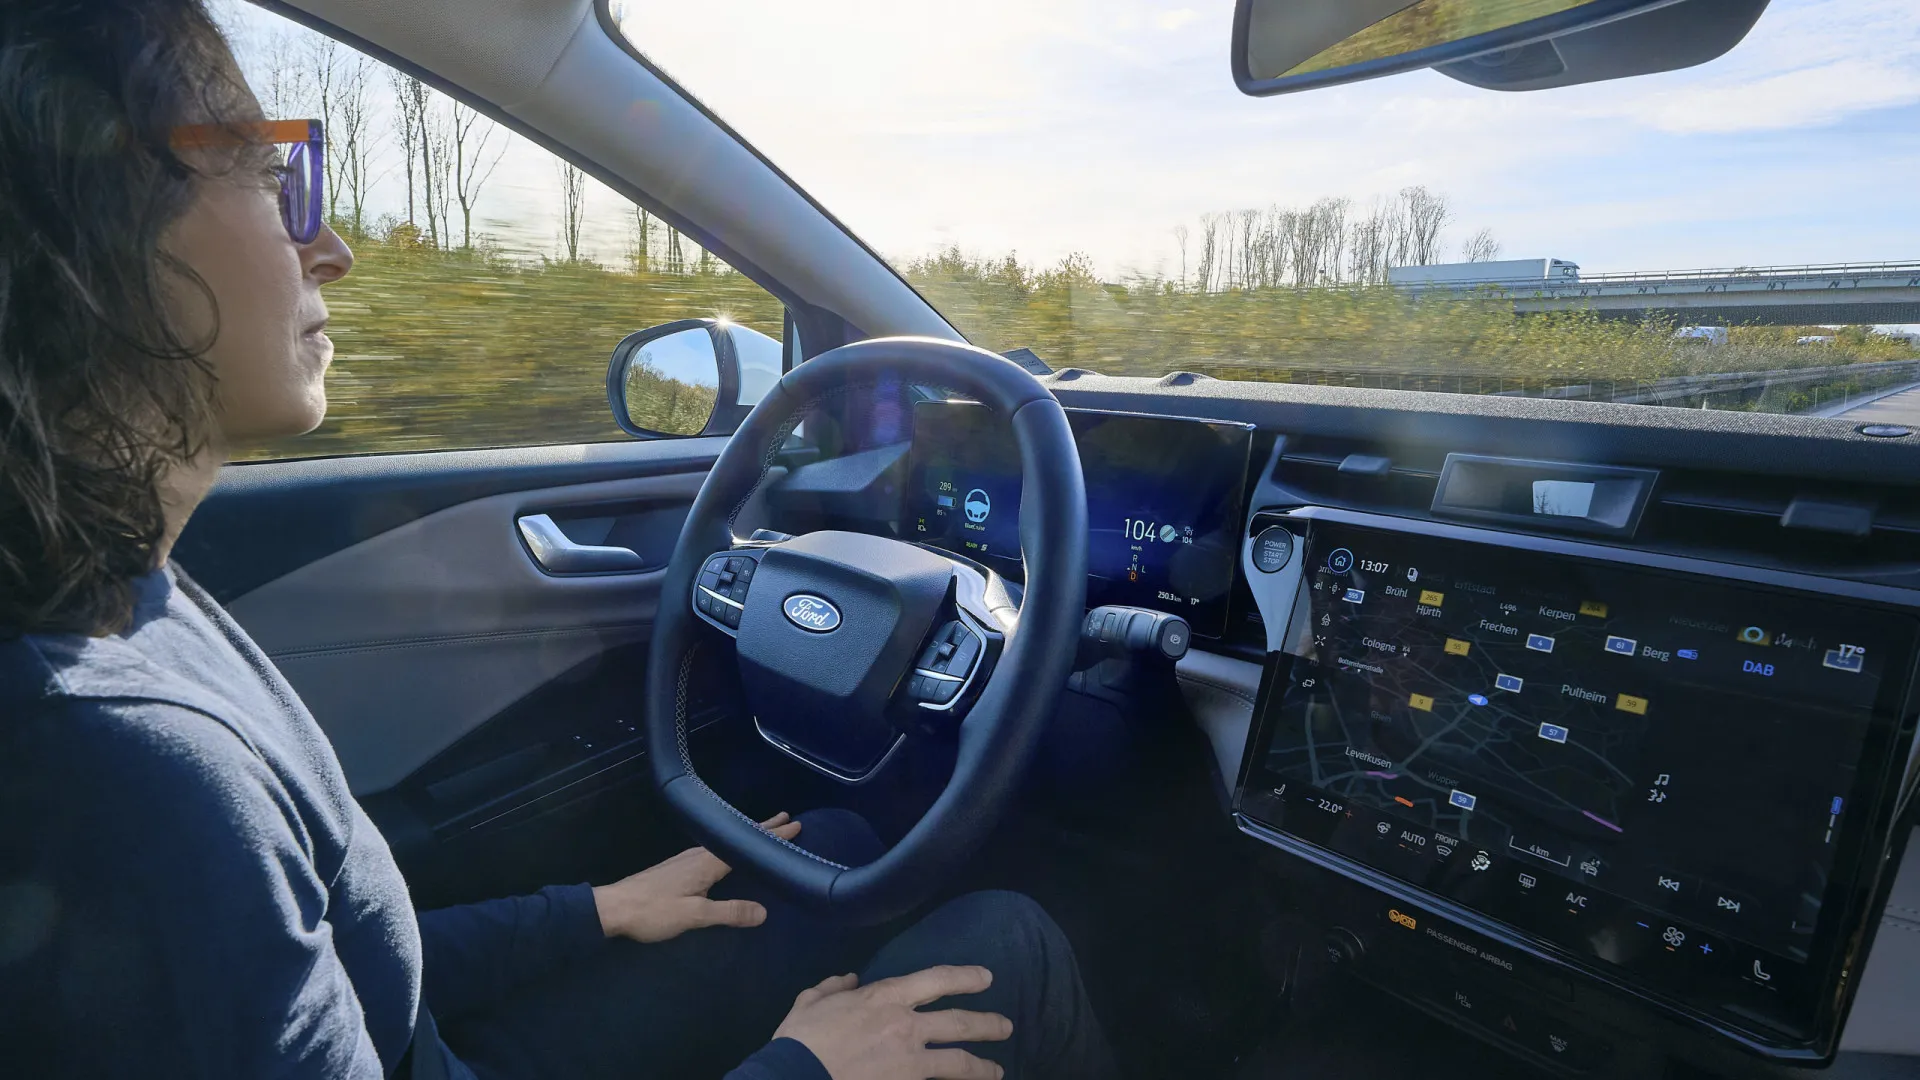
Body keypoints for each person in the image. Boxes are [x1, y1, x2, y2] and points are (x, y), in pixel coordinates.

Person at [0, 2, 1117, 1078]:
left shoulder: (124, 596)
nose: (330, 247)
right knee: (1008, 949)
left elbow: (332, 969)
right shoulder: (111, 762)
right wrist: (807, 1069)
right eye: (265, 172)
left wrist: (594, 911)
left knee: (826, 838)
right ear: (79, 231)